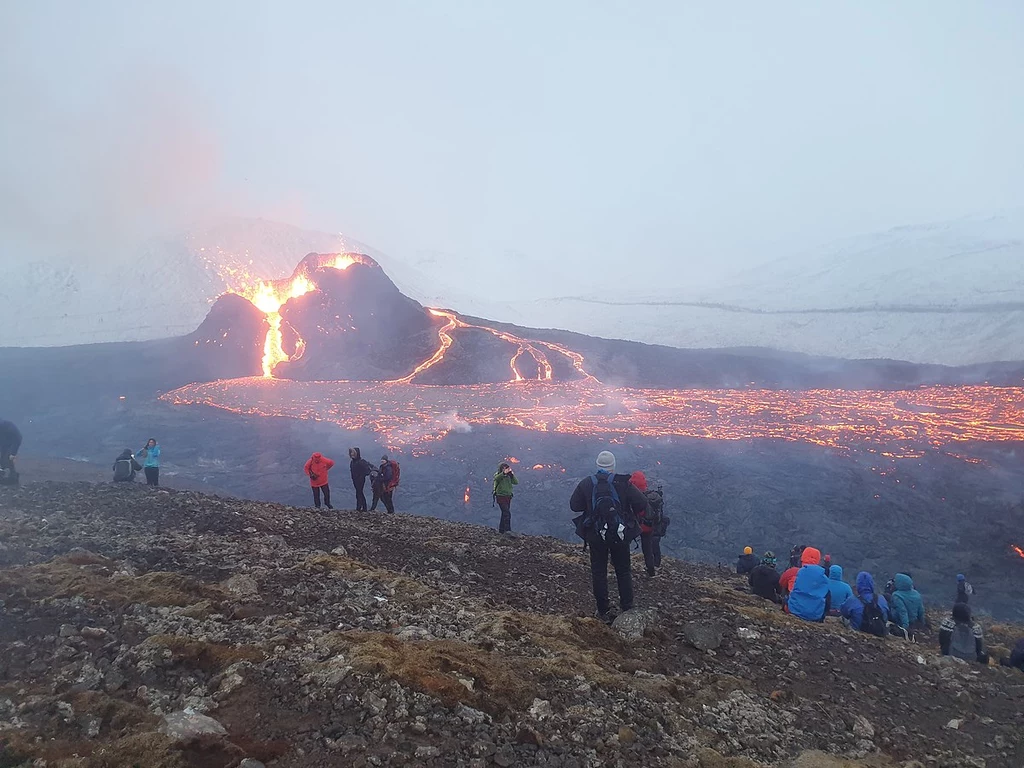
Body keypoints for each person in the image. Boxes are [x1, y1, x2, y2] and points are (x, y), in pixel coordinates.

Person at [570, 451, 647, 623]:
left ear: (597, 465)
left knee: (599, 572)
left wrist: (591, 509)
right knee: (623, 571)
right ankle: (627, 607)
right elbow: (642, 502)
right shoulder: (623, 483)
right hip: (619, 534)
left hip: (596, 536)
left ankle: (603, 611)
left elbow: (574, 506)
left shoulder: (587, 483)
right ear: (613, 466)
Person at [629, 471, 661, 577]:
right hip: (648, 527)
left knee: (624, 542)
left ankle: (616, 563)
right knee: (647, 548)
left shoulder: (633, 494)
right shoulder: (651, 496)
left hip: (636, 525)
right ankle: (651, 569)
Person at [787, 547, 831, 622]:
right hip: (815, 616)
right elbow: (827, 599)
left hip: (794, 610)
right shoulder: (824, 577)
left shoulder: (796, 572)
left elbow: (788, 587)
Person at [840, 572, 890, 636]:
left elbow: (843, 612)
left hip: (858, 632)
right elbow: (886, 617)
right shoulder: (881, 599)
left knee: (843, 619)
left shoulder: (852, 600)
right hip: (879, 630)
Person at [493, 462, 519, 533]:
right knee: (507, 513)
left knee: (504, 513)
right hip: (500, 496)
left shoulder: (509, 476)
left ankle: (501, 530)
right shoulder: (498, 475)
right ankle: (508, 530)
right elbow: (496, 479)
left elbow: (516, 482)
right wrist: (503, 474)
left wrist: (511, 475)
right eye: (504, 468)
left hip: (508, 497)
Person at [348, 448, 373, 512]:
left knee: (359, 492)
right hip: (355, 479)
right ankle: (359, 507)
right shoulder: (352, 462)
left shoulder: (361, 461)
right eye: (351, 453)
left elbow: (368, 470)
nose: (351, 454)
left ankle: (363, 507)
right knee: (358, 492)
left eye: (353, 453)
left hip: (360, 480)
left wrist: (362, 475)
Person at [0, 419, 22, 485]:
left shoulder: (7, 426)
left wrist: (13, 453)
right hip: (4, 444)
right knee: (3, 459)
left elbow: (18, 438)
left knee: (8, 459)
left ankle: (13, 479)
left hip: (11, 444)